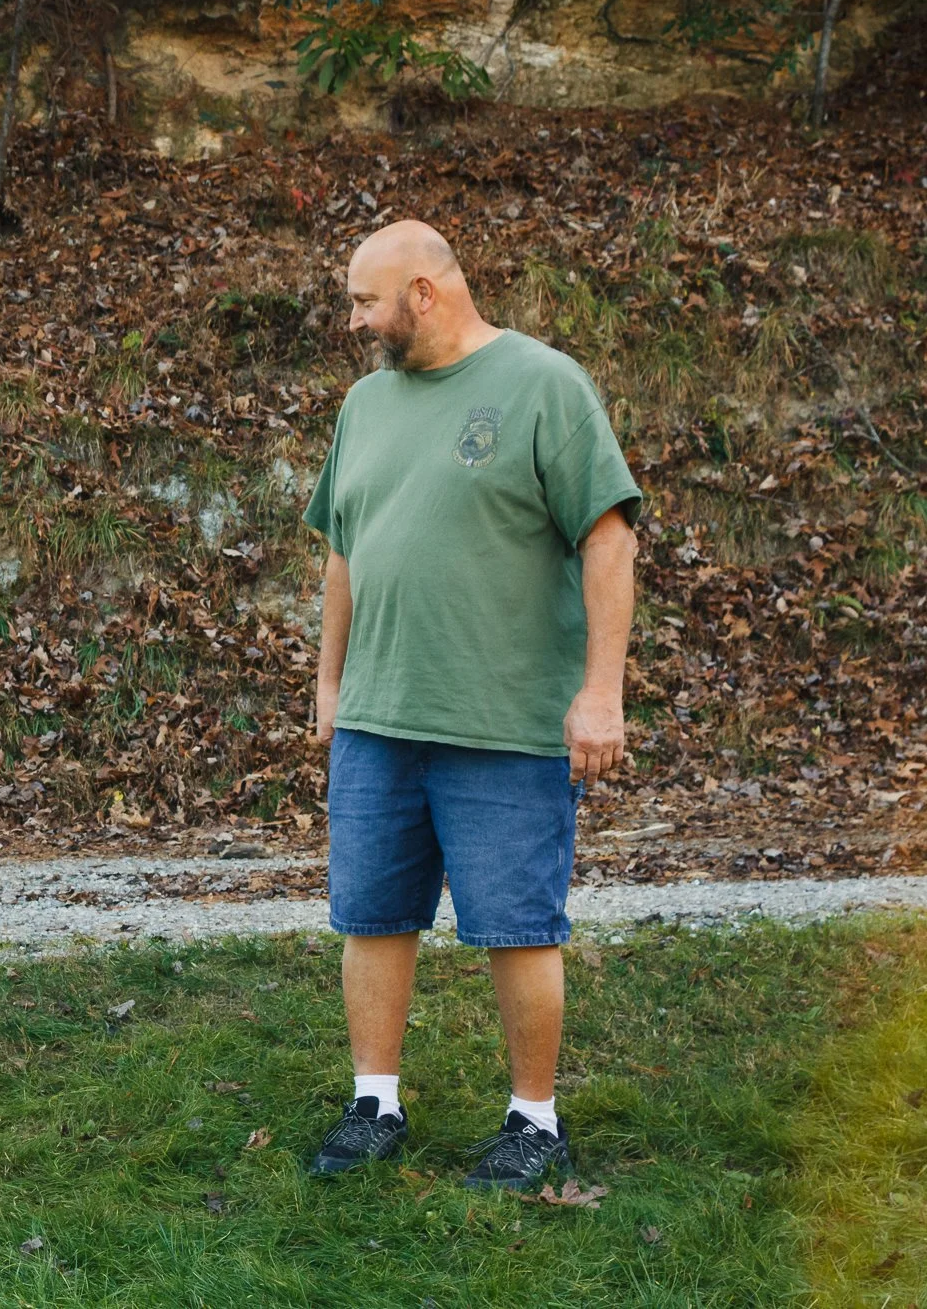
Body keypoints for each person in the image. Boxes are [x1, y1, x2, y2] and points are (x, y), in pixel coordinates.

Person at [303, 221, 641, 1190]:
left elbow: (608, 541)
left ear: (422, 292)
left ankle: (532, 1119)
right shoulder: (365, 405)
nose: (353, 319)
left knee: (516, 925)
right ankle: (374, 1100)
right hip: (378, 716)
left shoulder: (543, 385)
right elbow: (341, 551)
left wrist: (599, 693)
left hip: (504, 721)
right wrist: (330, 683)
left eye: (364, 302)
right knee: (369, 915)